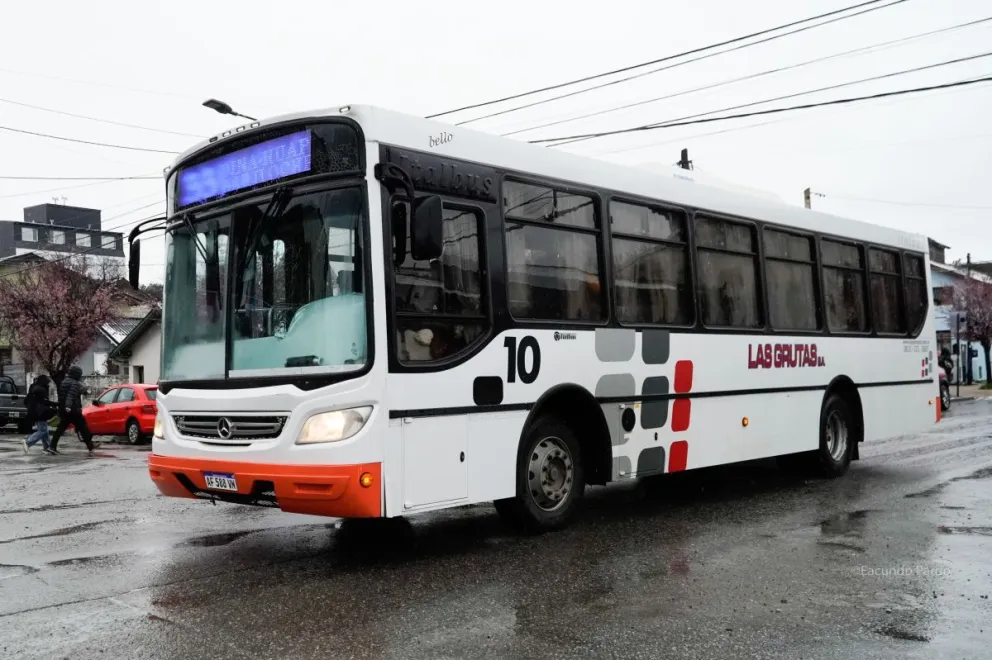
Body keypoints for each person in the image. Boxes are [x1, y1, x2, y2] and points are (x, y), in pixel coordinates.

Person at [49, 366, 97, 454]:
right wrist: (68, 406)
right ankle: (90, 446)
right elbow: (71, 395)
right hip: (73, 410)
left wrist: (66, 407)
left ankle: (52, 446)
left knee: (60, 428)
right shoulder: (75, 383)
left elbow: (72, 392)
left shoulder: (65, 382)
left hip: (64, 410)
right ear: (77, 374)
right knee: (83, 427)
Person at [22, 375, 57, 455]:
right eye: (48, 382)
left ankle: (47, 447)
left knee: (44, 430)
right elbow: (44, 402)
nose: (48, 384)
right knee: (42, 430)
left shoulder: (34, 387)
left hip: (34, 412)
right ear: (44, 382)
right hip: (40, 413)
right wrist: (56, 405)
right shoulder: (41, 390)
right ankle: (28, 442)